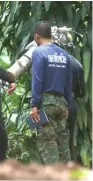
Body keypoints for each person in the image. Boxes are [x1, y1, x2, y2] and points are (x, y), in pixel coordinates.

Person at [29, 21, 72, 164]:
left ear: (37, 37)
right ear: (51, 36)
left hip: (47, 104)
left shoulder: (38, 52)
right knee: (62, 142)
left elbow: (37, 80)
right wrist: (67, 105)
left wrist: (34, 105)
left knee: (48, 143)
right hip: (62, 104)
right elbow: (68, 82)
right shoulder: (64, 54)